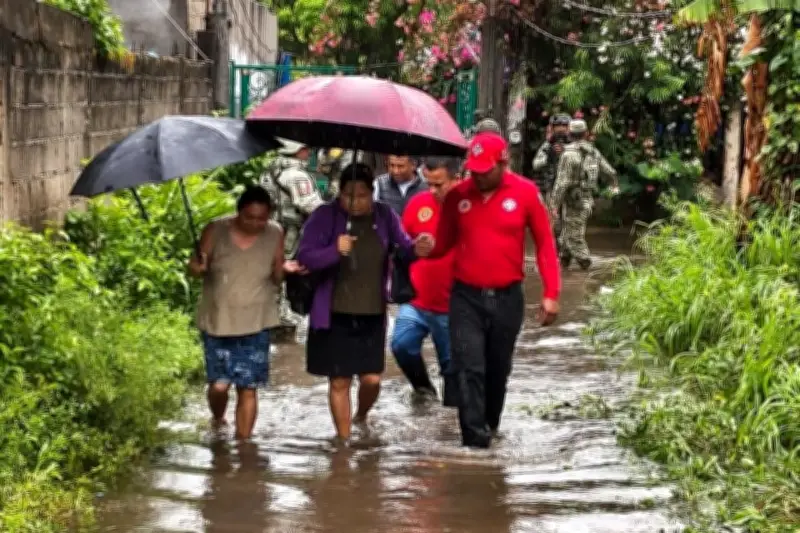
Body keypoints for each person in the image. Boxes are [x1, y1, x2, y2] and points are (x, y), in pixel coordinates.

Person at [428, 132, 561, 449]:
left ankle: (489, 426)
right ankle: (474, 444)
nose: (478, 176)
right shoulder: (458, 196)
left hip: (507, 298)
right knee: (468, 366)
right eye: (473, 170)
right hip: (465, 297)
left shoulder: (526, 193)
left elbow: (544, 245)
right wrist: (426, 247)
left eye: (485, 170)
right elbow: (442, 243)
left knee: (497, 370)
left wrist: (551, 293)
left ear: (504, 163)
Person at [295, 164, 433, 445]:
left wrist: (417, 249)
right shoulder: (324, 217)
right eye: (348, 195)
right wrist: (334, 250)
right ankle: (343, 443)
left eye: (361, 195)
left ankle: (361, 416)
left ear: (372, 193)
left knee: (371, 380)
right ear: (339, 193)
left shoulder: (385, 216)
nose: (354, 202)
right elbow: (305, 258)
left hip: (371, 313)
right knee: (339, 381)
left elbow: (403, 248)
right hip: (332, 314)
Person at [189, 186, 292, 441]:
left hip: (256, 321)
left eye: (262, 218)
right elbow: (194, 268)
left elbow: (276, 275)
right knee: (219, 385)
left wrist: (286, 270)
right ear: (238, 213)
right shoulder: (215, 230)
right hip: (219, 319)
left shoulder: (275, 232)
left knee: (248, 387)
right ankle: (218, 418)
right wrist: (197, 267)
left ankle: (244, 446)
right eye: (250, 217)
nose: (256, 224)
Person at [390, 157, 461, 401]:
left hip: (453, 306)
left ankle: (452, 419)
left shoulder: (467, 208)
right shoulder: (418, 203)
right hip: (417, 299)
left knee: (452, 367)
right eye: (428, 184)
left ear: (456, 179)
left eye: (439, 185)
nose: (432, 191)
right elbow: (401, 243)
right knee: (401, 345)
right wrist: (411, 247)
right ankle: (423, 390)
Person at [260, 139, 324, 327]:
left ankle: (274, 309)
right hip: (289, 230)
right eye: (306, 149)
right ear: (299, 151)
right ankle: (279, 312)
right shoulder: (296, 175)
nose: (309, 153)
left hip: (270, 225)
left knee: (273, 265)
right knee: (284, 267)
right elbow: (308, 204)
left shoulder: (271, 169)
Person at [548, 119, 619, 270]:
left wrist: (553, 205)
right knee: (569, 231)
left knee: (573, 236)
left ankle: (584, 262)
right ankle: (564, 262)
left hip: (574, 200)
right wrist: (614, 185)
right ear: (586, 134)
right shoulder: (593, 151)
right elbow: (610, 171)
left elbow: (562, 183)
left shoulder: (568, 155)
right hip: (586, 198)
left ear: (569, 133)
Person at [532, 114, 571, 197]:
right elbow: (535, 165)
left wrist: (566, 152)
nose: (561, 128)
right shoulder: (547, 145)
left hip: (570, 189)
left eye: (564, 125)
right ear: (553, 128)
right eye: (557, 126)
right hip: (550, 187)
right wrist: (548, 157)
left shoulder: (575, 145)